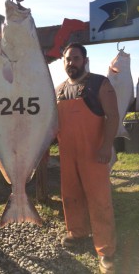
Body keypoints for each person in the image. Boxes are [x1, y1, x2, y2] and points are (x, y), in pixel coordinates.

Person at [56, 42, 119, 274]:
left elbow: (113, 116)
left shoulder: (99, 83)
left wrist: (106, 146)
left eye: (75, 58)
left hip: (95, 154)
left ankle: (106, 250)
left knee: (99, 200)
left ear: (85, 60)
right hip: (67, 155)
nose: (71, 62)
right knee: (70, 195)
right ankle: (78, 232)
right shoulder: (59, 90)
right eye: (67, 59)